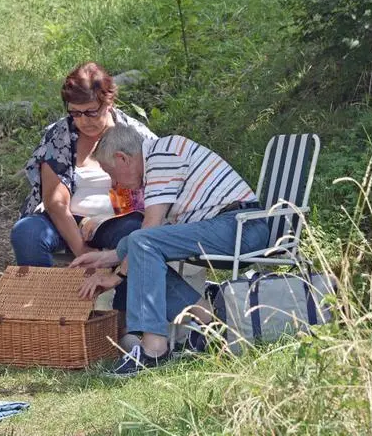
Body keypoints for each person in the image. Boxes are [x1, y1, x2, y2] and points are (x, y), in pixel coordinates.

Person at [70, 124, 269, 377]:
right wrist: (109, 256)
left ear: (123, 158)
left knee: (145, 243)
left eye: (111, 172)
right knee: (146, 250)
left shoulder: (163, 154)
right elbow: (155, 232)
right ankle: (209, 321)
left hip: (240, 227)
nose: (114, 182)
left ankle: (154, 350)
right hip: (227, 226)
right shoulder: (158, 157)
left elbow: (150, 228)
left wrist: (117, 275)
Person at [9, 62, 155, 312]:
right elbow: (55, 201)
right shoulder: (60, 135)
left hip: (116, 218)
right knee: (26, 232)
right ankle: (43, 310)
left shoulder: (134, 134)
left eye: (91, 112)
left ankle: (122, 316)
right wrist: (82, 250)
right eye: (75, 113)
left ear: (108, 102)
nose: (83, 121)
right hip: (66, 219)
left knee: (134, 233)